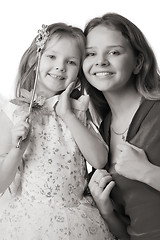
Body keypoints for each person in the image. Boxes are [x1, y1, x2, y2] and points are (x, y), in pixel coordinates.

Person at [0, 23, 115, 239]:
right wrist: (17, 149)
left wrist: (68, 115)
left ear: (79, 71)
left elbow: (99, 160)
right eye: (52, 57)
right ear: (35, 59)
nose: (60, 66)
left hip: (76, 217)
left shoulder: (77, 110)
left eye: (71, 62)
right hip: (29, 221)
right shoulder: (14, 113)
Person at [82, 12, 160, 240]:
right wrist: (106, 210)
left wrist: (147, 172)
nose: (101, 61)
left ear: (138, 62)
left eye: (114, 52)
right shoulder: (100, 134)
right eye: (91, 54)